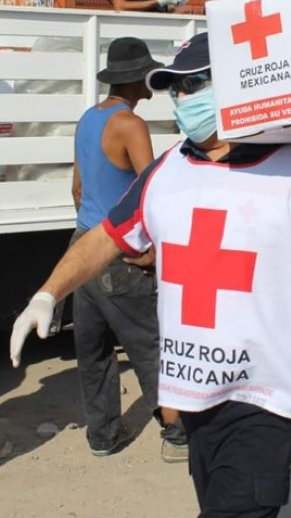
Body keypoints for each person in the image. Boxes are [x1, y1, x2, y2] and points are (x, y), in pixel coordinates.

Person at [9, 32, 291, 517]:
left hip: (264, 394)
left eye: (195, 84)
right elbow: (107, 235)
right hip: (195, 392)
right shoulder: (167, 169)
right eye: (176, 88)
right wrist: (48, 293)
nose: (182, 97)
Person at [70, 36, 187, 462]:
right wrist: (153, 249)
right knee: (149, 344)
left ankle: (102, 435)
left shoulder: (87, 118)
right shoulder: (130, 125)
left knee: (94, 349)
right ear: (137, 79)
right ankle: (176, 433)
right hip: (118, 250)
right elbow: (150, 191)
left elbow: (78, 187)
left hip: (83, 244)